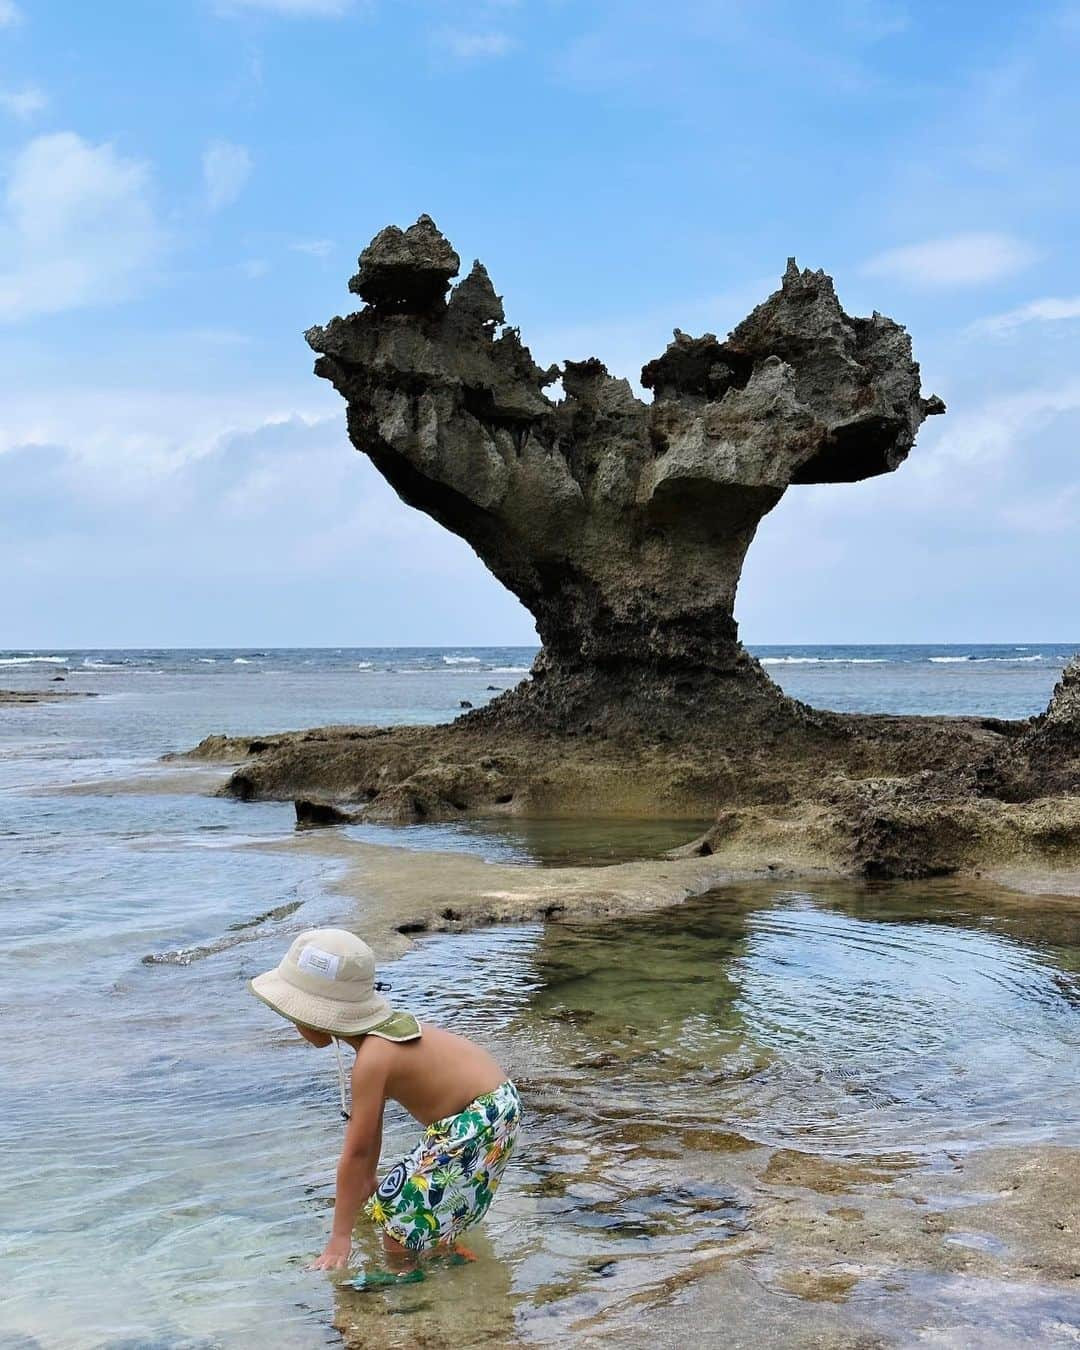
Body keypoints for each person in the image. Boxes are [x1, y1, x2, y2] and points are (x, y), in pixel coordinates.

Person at [249, 927, 521, 1270]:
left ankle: (413, 1293)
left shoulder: (372, 1060)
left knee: (398, 1233)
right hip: (495, 1106)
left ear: (316, 1014)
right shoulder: (380, 1042)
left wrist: (339, 1239)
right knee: (393, 1203)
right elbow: (368, 1148)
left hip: (481, 1117)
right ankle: (445, 1250)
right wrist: (370, 1189)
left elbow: (357, 1152)